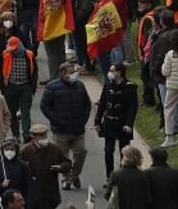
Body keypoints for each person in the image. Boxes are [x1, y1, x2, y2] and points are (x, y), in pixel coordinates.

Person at [38, 61, 91, 190]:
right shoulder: (52, 87)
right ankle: (67, 179)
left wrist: (83, 120)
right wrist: (56, 120)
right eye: (71, 72)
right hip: (60, 130)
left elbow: (87, 104)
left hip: (78, 129)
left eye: (74, 72)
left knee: (81, 152)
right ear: (62, 74)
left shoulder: (80, 85)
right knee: (62, 157)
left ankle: (74, 175)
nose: (74, 75)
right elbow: (44, 105)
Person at [94, 61, 138, 178]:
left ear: (119, 73)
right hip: (109, 123)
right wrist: (97, 121)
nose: (110, 73)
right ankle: (110, 176)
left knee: (124, 152)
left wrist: (129, 124)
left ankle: (122, 176)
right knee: (108, 151)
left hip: (123, 123)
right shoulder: (108, 85)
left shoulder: (130, 87)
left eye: (112, 70)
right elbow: (102, 103)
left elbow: (132, 108)